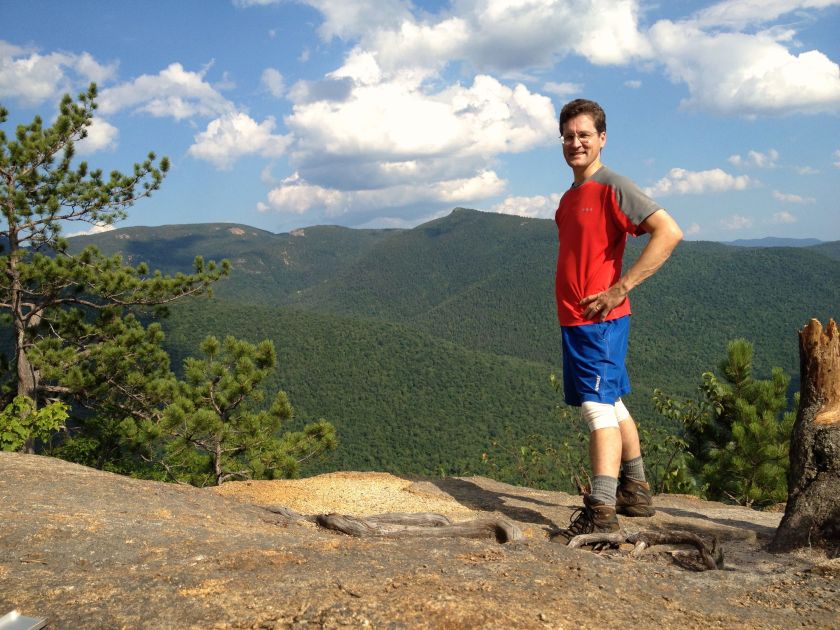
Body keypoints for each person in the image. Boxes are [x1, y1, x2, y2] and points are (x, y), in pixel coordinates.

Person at [550, 99, 683, 544]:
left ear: (602, 138)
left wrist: (619, 288)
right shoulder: (571, 197)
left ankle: (602, 511)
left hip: (599, 323)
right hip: (578, 323)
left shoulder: (613, 186)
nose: (576, 142)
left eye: (584, 134)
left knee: (596, 408)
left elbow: (669, 231)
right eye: (569, 135)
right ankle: (637, 489)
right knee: (613, 402)